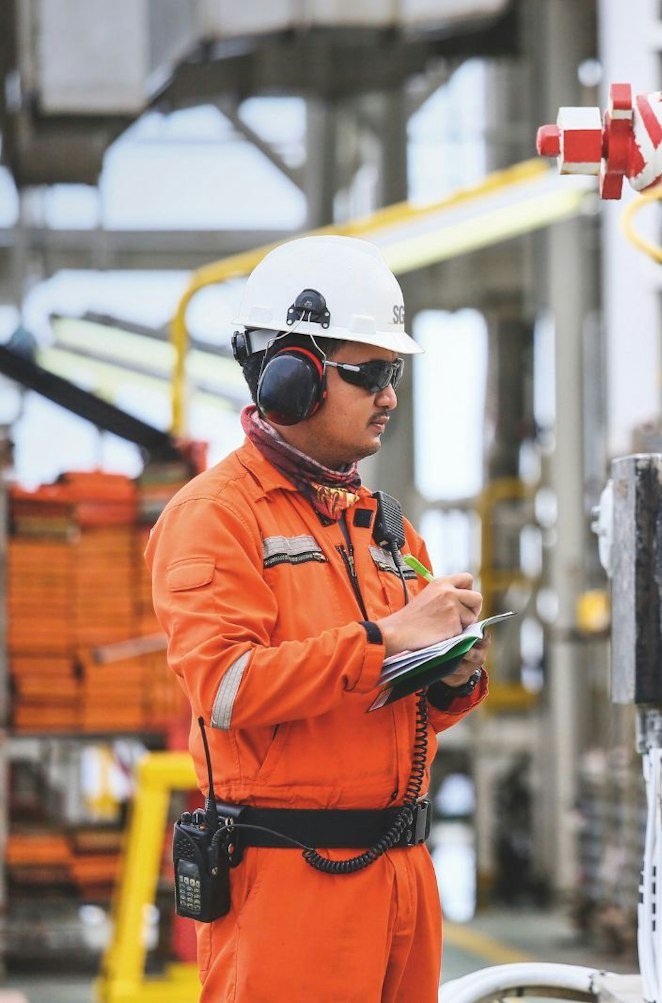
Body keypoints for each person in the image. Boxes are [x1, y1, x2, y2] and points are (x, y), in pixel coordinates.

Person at [146, 234, 490, 1001]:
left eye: (392, 373)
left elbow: (395, 703)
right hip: (290, 887)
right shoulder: (215, 517)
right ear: (289, 380)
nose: (390, 395)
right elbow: (226, 688)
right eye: (367, 373)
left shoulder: (385, 526)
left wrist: (454, 671)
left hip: (403, 878)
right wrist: (389, 638)